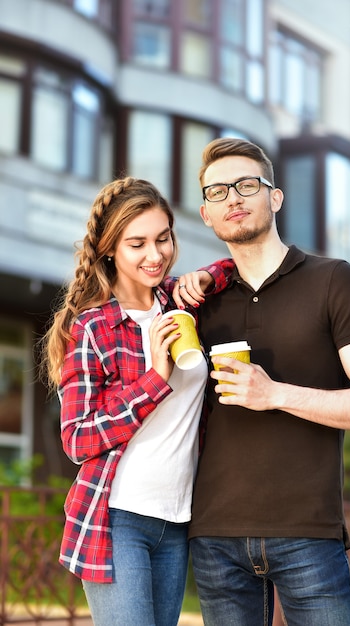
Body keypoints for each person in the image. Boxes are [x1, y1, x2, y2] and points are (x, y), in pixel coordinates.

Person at [184, 137, 350, 626]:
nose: (232, 198)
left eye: (245, 185)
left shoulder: (334, 281)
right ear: (206, 215)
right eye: (217, 192)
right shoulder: (198, 302)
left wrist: (273, 393)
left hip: (308, 532)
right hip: (215, 535)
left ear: (274, 197)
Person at [43, 177, 231, 626]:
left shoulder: (179, 302)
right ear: (111, 250)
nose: (156, 255)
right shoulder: (94, 329)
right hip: (118, 518)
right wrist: (154, 378)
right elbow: (77, 439)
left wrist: (205, 275)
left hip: (179, 517)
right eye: (137, 244)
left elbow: (234, 269)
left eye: (163, 238)